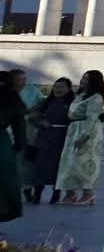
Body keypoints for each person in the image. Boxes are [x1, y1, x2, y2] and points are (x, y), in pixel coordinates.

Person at [57, 68, 104, 207]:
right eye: (83, 78)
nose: (83, 81)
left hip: (87, 131)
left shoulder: (96, 97)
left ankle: (88, 193)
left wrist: (84, 137)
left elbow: (92, 118)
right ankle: (70, 193)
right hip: (74, 129)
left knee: (84, 163)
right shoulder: (81, 95)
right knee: (69, 162)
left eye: (87, 79)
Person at [27, 76, 74, 204]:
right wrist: (40, 122)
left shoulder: (73, 104)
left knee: (58, 166)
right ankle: (37, 193)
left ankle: (56, 193)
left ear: (69, 89)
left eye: (61, 87)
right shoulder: (45, 102)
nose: (58, 89)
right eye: (56, 87)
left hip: (62, 138)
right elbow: (32, 115)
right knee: (40, 165)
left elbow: (80, 117)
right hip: (44, 138)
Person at [0, 67, 30, 222]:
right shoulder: (13, 100)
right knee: (4, 181)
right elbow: (20, 129)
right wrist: (19, 146)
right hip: (1, 142)